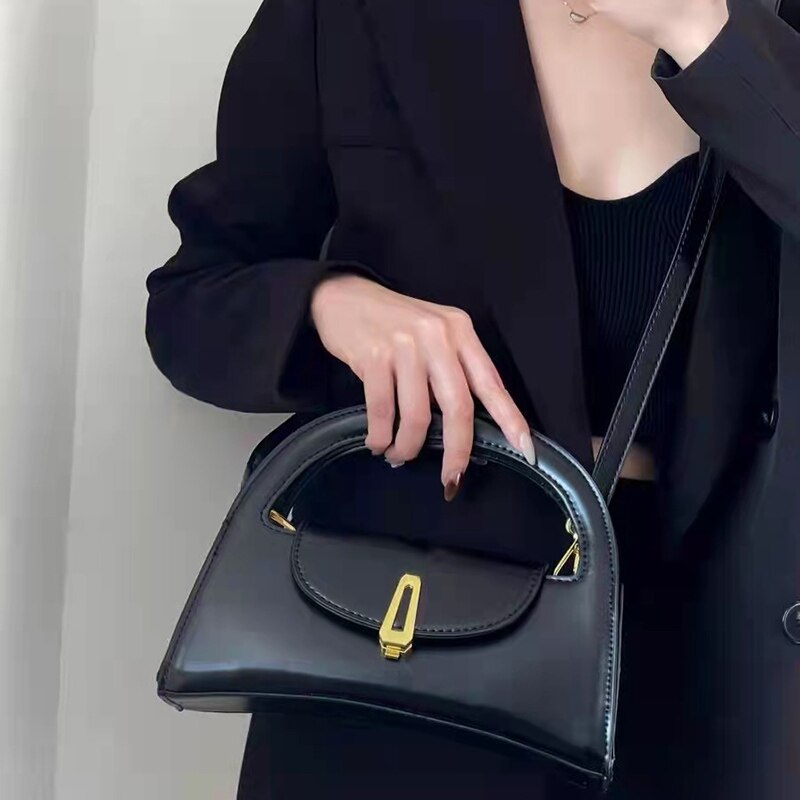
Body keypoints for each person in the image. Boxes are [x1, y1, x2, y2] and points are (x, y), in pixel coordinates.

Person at [145, 0, 800, 797]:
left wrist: (700, 31)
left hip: (707, 672)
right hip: (406, 638)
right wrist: (330, 305)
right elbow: (191, 301)